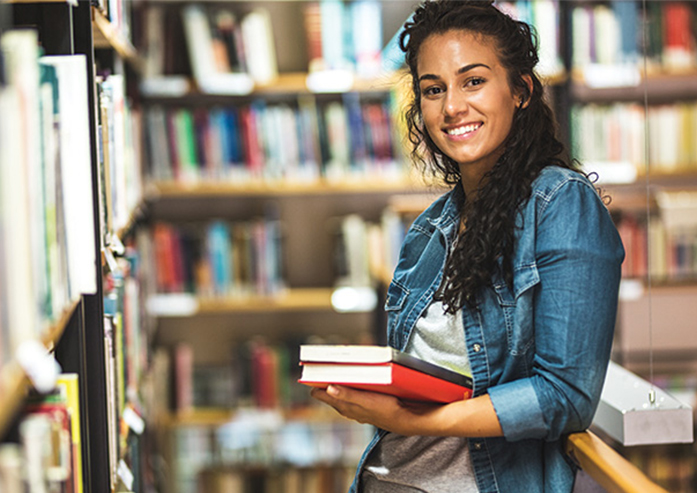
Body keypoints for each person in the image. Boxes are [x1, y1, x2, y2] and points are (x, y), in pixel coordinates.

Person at [311, 1, 625, 492]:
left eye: (473, 81)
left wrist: (414, 420)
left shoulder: (562, 205)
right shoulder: (429, 230)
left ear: (520, 90)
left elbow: (564, 397)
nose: (452, 106)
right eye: (433, 89)